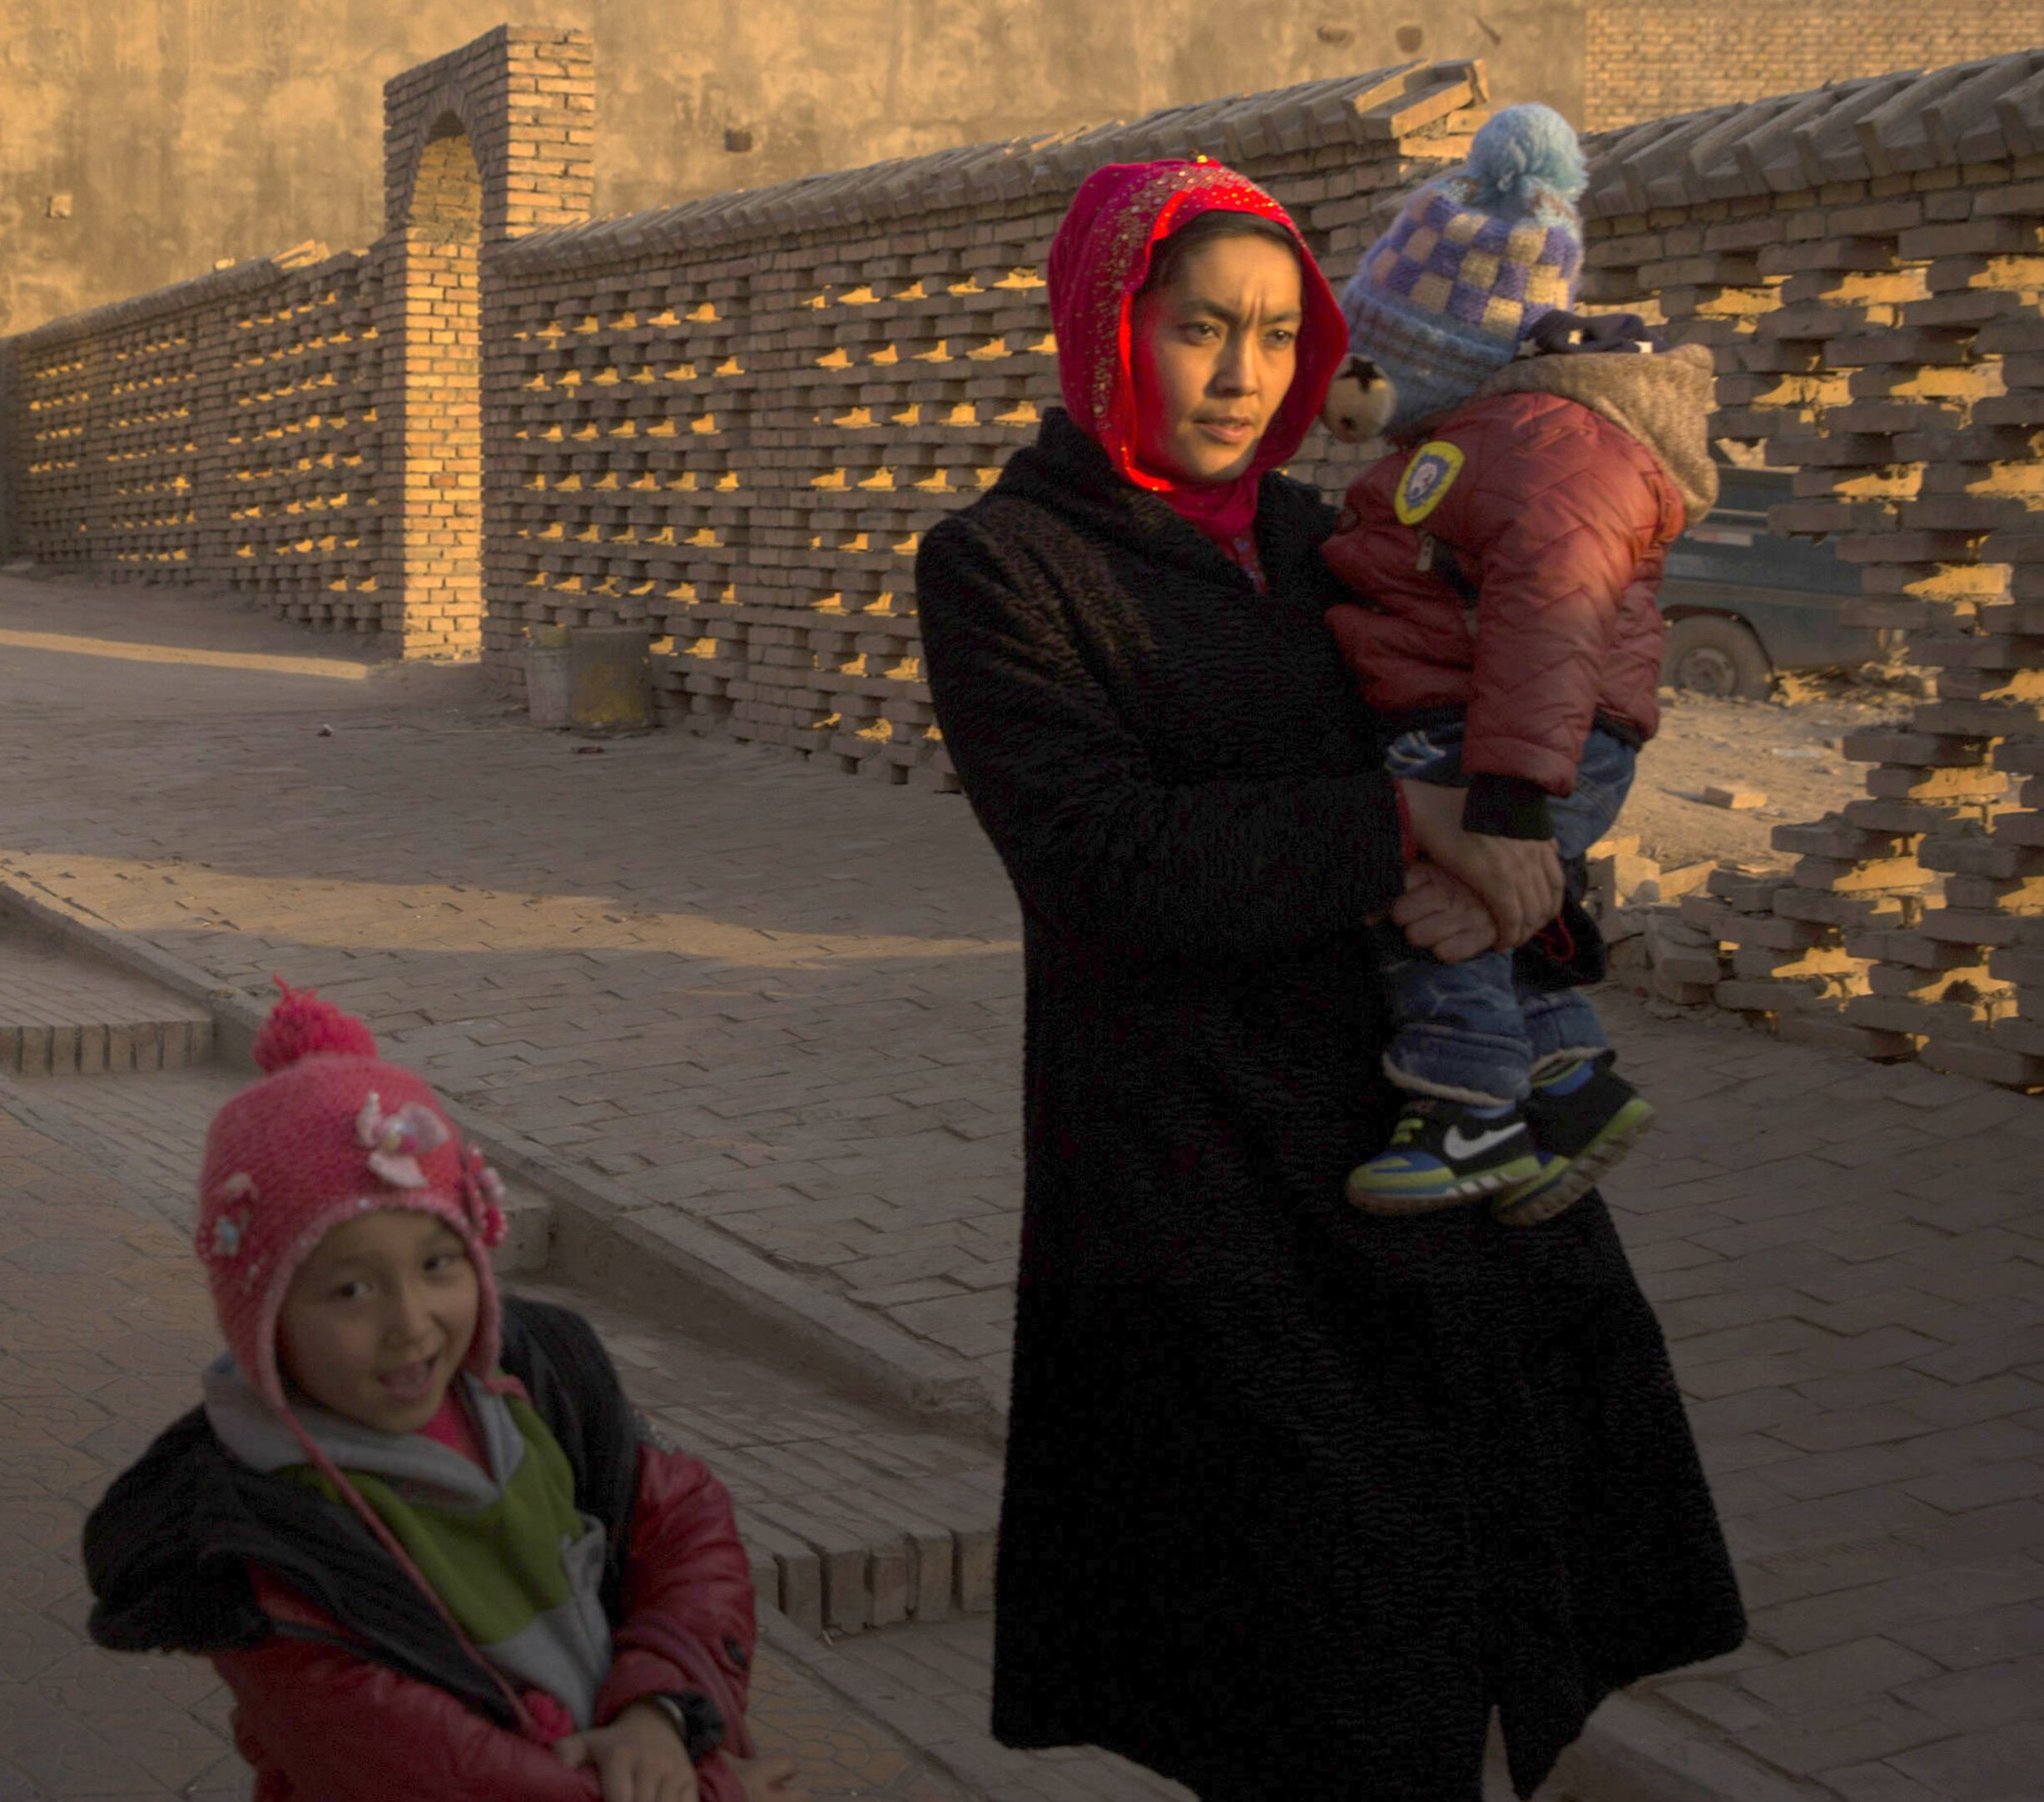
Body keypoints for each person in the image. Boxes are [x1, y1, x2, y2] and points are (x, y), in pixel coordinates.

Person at [910, 158, 1744, 1801]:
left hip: (1425, 1142)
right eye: (1201, 328)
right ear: (1107, 327)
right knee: (1309, 1658)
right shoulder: (1004, 564)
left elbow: (1506, 712)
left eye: (1281, 334)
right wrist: (1407, 825)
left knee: (1481, 1613)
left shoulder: (1339, 532)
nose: (1244, 375)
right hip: (1202, 1184)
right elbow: (1104, 857)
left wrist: (1528, 873)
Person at [83, 986, 806, 1802]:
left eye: (437, 1264)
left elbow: (684, 1527)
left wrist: (661, 1709)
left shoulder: (536, 1384)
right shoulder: (266, 1553)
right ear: (266, 1321)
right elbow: (452, 1775)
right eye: (351, 1289)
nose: (411, 1323)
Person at [1315, 105, 1714, 1223]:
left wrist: (1506, 797)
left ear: (1442, 355)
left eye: (1373, 360)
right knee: (1481, 903)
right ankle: (1569, 1083)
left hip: (1515, 738)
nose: (1350, 389)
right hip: (1497, 728)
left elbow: (1552, 619)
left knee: (1425, 897)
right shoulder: (1488, 440)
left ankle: (1470, 1107)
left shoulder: (1543, 448)